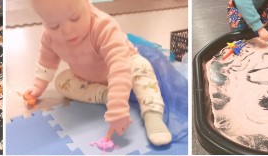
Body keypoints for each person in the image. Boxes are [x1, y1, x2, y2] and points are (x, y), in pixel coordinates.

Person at [23, 0, 172, 145]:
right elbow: (46, 60)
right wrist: (38, 87)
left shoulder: (102, 26)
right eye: (54, 26)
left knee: (141, 66)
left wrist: (117, 106)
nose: (67, 31)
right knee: (62, 82)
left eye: (74, 18)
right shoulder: (49, 37)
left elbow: (119, 65)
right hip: (88, 77)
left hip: (123, 67)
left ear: (87, 4)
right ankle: (104, 95)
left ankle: (152, 114)